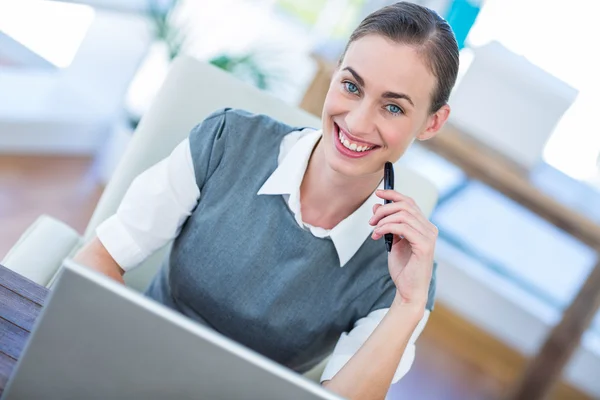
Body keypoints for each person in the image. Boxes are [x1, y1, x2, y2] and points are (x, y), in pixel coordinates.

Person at [74, 2, 459, 399]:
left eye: (393, 107)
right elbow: (97, 260)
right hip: (125, 365)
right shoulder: (227, 141)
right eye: (351, 86)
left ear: (432, 121)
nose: (358, 122)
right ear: (336, 71)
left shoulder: (404, 268)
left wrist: (409, 304)